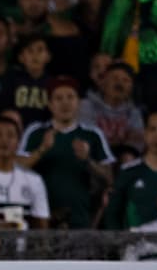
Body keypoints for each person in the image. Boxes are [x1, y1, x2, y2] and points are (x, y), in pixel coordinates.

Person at [18, 78, 114, 229]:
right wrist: (42, 149)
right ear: (50, 104)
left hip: (81, 219)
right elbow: (16, 170)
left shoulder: (92, 134)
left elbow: (109, 178)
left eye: (70, 97)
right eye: (59, 98)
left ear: (79, 103)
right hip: (40, 221)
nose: (65, 103)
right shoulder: (36, 132)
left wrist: (87, 160)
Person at [104, 111, 157, 229]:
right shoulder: (128, 172)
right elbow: (113, 214)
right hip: (136, 243)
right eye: (152, 129)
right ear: (145, 134)